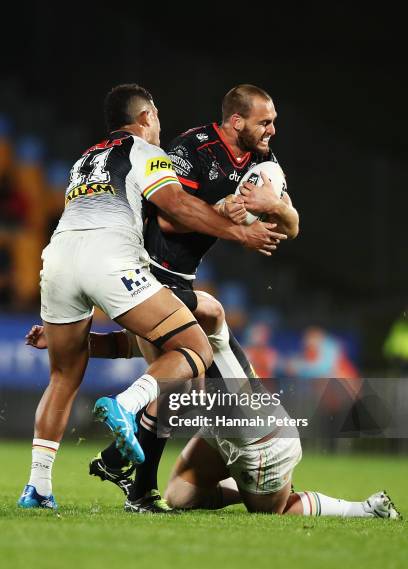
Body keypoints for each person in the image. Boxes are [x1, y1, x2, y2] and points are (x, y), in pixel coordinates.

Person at [17, 83, 280, 511]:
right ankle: (126, 406)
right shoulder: (144, 152)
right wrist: (240, 231)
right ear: (145, 118)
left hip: (58, 260)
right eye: (155, 115)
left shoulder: (85, 160)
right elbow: (175, 205)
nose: (159, 123)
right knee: (193, 347)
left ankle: (38, 488)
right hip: (111, 261)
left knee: (63, 377)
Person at [89, 83, 300, 512]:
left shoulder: (264, 162)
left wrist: (274, 207)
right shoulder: (194, 147)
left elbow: (292, 226)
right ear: (236, 121)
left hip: (181, 277)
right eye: (265, 121)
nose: (273, 130)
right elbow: (166, 218)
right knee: (194, 355)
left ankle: (128, 473)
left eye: (273, 121)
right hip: (148, 269)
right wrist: (222, 213)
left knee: (183, 378)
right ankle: (127, 461)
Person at [26, 324, 401, 520]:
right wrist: (64, 341)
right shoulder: (158, 317)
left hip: (262, 442)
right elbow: (126, 345)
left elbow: (187, 388)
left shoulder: (197, 309)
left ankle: (364, 508)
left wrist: (117, 451)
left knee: (276, 512)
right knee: (180, 497)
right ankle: (260, 488)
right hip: (223, 434)